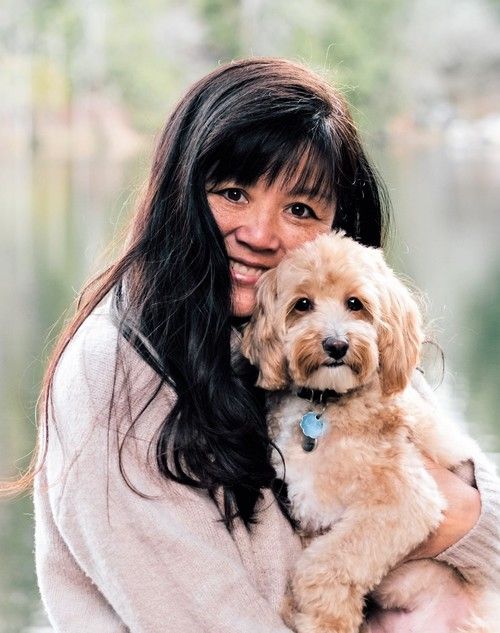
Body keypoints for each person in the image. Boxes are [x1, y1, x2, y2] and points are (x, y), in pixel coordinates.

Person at [17, 58, 500, 631]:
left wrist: (460, 515)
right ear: (178, 192)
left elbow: (485, 526)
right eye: (233, 193)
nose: (260, 234)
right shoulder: (112, 379)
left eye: (299, 210)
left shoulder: (342, 339)